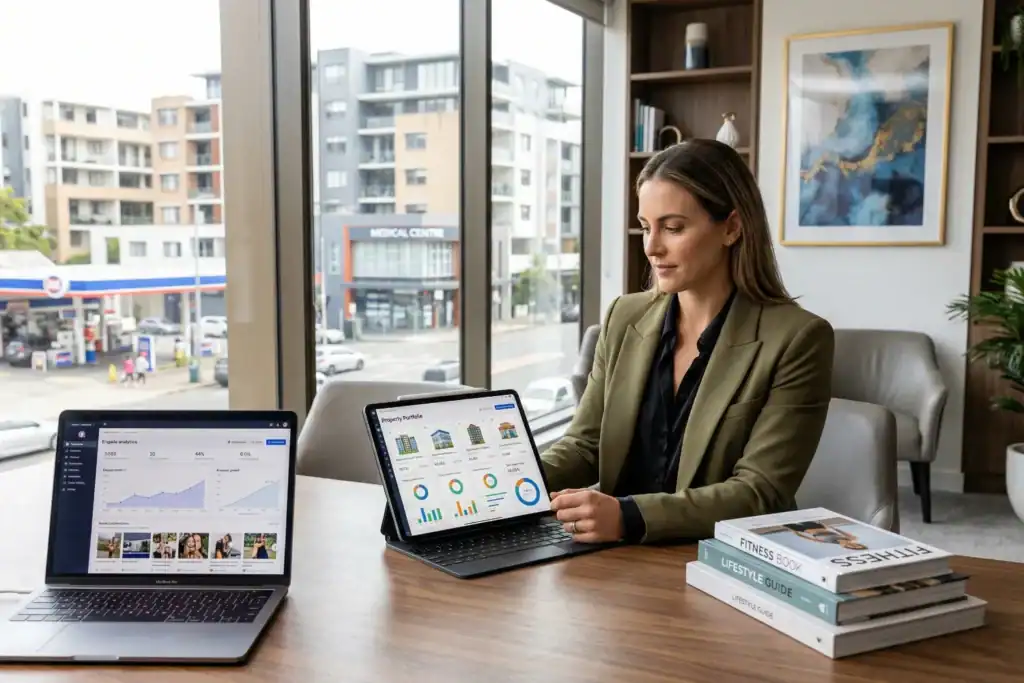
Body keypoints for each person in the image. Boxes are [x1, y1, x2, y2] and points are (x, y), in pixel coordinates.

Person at [542, 139, 835, 545]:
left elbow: (759, 491)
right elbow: (586, 444)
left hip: (721, 560)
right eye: (646, 227)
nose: (651, 246)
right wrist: (509, 479)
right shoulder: (622, 317)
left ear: (731, 227)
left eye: (673, 228)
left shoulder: (798, 339)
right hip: (610, 559)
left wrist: (629, 515)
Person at [781, 521, 867, 550]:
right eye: (857, 546)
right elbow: (837, 529)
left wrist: (794, 531)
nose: (852, 545)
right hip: (817, 526)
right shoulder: (851, 538)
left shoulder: (826, 542)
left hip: (803, 529)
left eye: (853, 547)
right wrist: (825, 525)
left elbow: (805, 537)